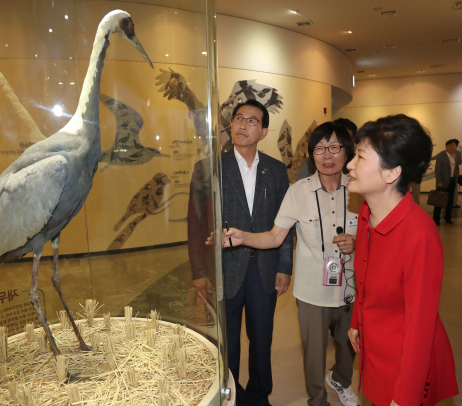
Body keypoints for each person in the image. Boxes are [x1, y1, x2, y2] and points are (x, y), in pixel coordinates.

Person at [213, 122, 361, 406]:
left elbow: (376, 235)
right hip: (311, 290)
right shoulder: (298, 192)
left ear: (347, 152)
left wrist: (358, 243)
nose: (326, 155)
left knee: (347, 345)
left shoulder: (360, 190)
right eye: (319, 149)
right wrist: (243, 237)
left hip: (350, 286)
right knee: (314, 350)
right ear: (311, 155)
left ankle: (341, 379)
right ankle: (318, 399)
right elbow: (274, 236)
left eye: (334, 148)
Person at [345, 114, 458, 405]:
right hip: (374, 346)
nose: (349, 165)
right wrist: (357, 321)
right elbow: (365, 278)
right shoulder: (367, 214)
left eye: (359, 157)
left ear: (392, 173)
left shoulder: (419, 235)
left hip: (406, 365)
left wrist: (405, 398)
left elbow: (421, 327)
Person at [190, 99, 293, 406]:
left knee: (262, 339)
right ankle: (230, 396)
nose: (242, 125)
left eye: (251, 121)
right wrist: (199, 273)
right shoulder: (209, 168)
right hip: (225, 269)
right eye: (238, 119)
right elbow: (196, 225)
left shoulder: (275, 171)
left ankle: (260, 395)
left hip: (264, 268)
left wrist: (285, 266)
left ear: (263, 131)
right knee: (227, 342)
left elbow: (284, 223)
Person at [433, 139, 461, 225]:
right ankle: (436, 219)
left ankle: (448, 217)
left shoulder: (457, 155)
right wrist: (439, 181)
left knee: (450, 201)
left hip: (452, 181)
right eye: (449, 146)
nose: (451, 147)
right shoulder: (442, 155)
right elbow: (437, 170)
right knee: (439, 201)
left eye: (453, 146)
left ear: (456, 147)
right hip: (442, 182)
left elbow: (456, 166)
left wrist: (457, 170)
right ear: (446, 147)